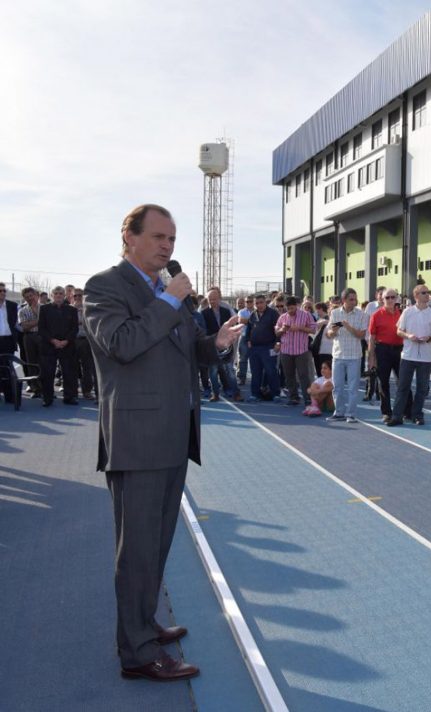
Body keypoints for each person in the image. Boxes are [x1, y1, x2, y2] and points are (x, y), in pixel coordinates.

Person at [83, 203, 243, 681]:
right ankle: (136, 652)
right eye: (158, 237)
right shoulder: (105, 287)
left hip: (174, 434)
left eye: (172, 239)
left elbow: (189, 350)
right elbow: (123, 343)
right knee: (136, 549)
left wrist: (215, 344)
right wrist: (169, 301)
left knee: (156, 545)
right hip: (136, 438)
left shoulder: (166, 292)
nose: (168, 247)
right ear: (128, 236)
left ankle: (144, 624)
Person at [387, 284, 431, 426]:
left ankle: (417, 415)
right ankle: (397, 416)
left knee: (422, 388)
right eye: (424, 293)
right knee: (403, 387)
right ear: (416, 295)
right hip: (408, 355)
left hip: (426, 356)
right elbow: (399, 331)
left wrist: (429, 338)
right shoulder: (407, 312)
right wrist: (408, 336)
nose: (427, 295)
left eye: (428, 292)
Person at [326, 288, 369, 423]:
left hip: (354, 356)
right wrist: (334, 330)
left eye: (355, 299)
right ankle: (339, 412)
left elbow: (361, 335)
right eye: (351, 299)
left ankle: (350, 414)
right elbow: (329, 335)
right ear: (344, 300)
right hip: (338, 355)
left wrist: (348, 327)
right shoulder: (334, 313)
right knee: (337, 386)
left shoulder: (362, 314)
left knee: (353, 387)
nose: (354, 301)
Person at [38, 286, 80, 406]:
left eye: (61, 293)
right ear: (52, 295)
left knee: (69, 373)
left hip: (67, 345)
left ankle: (69, 397)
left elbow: (75, 328)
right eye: (56, 293)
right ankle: (47, 398)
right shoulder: (44, 309)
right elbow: (42, 329)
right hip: (49, 345)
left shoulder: (71, 310)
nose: (58, 295)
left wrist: (66, 341)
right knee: (48, 373)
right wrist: (53, 340)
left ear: (64, 295)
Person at [367, 288, 404, 423]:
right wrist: (371, 358)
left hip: (400, 350)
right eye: (387, 297)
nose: (389, 300)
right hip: (382, 350)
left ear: (396, 299)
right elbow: (371, 338)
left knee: (403, 382)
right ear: (382, 299)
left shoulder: (402, 314)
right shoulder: (376, 315)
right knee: (383, 383)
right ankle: (386, 412)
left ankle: (405, 410)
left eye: (392, 297)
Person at [245, 294, 281, 402]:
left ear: (265, 302)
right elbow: (248, 330)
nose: (259, 305)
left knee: (271, 371)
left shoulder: (273, 314)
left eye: (261, 302)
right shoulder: (252, 315)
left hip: (269, 347)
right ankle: (255, 394)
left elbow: (278, 331)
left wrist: (278, 343)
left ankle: (275, 394)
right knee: (255, 372)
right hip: (254, 349)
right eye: (257, 303)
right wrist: (248, 340)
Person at [70, 288, 97, 400]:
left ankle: (87, 391)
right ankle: (73, 391)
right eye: (75, 296)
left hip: (86, 340)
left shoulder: (90, 309)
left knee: (87, 367)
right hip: (72, 340)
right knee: (71, 367)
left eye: (80, 296)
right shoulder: (69, 309)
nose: (77, 298)